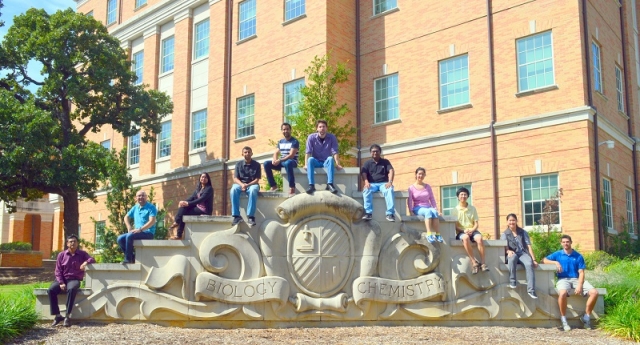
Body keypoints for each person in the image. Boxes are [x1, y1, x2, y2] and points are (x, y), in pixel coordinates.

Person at [543, 235, 599, 331]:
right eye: (564, 242)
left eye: (567, 242)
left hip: (576, 279)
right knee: (562, 293)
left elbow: (581, 272)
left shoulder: (578, 256)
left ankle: (586, 318)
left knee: (594, 293)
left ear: (571, 242)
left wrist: (580, 285)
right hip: (563, 279)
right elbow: (544, 260)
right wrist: (555, 263)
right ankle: (564, 319)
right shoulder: (558, 254)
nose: (566, 243)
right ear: (561, 243)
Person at [48, 235, 95, 327]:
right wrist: (61, 282)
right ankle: (57, 316)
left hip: (74, 279)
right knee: (51, 290)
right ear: (67, 244)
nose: (72, 243)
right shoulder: (61, 255)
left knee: (72, 289)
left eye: (74, 241)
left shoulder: (82, 254)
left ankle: (67, 316)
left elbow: (92, 259)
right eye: (70, 241)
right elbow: (58, 270)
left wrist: (85, 262)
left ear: (77, 243)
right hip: (62, 279)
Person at [453, 187, 489, 274]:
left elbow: (476, 224)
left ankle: (483, 263)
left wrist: (472, 230)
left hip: (472, 230)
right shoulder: (455, 210)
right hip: (461, 232)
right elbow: (455, 226)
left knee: (479, 238)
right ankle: (474, 262)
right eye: (461, 194)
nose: (463, 196)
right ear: (458, 197)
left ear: (468, 196)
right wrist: (463, 230)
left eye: (465, 194)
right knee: (465, 238)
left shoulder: (472, 208)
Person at [501, 213, 537, 297]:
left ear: (516, 221)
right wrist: (508, 251)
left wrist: (534, 260)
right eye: (510, 220)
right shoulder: (505, 234)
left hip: (523, 253)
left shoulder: (523, 232)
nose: (512, 222)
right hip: (513, 253)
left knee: (529, 263)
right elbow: (504, 246)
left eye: (513, 220)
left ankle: (531, 290)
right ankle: (512, 280)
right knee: (512, 257)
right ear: (507, 222)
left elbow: (529, 246)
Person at [169, 173, 214, 240]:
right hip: (197, 207)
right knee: (183, 208)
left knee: (184, 212)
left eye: (205, 177)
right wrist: (184, 202)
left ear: (208, 179)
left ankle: (177, 227)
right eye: (202, 177)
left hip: (204, 210)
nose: (203, 179)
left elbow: (201, 199)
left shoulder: (209, 189)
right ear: (200, 178)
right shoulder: (199, 189)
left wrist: (188, 204)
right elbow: (192, 197)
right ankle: (178, 229)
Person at [118, 190, 157, 264]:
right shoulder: (135, 207)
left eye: (143, 195)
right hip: (137, 232)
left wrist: (140, 229)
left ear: (146, 197)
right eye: (139, 196)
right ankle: (132, 257)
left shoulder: (151, 207)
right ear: (136, 198)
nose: (141, 197)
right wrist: (129, 227)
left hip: (148, 233)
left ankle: (128, 259)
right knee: (120, 238)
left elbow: (152, 221)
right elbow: (126, 217)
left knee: (130, 235)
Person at [304, 120, 342, 194]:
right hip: (316, 162)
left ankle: (330, 184)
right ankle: (311, 185)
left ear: (326, 128)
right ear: (317, 129)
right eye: (320, 127)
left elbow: (335, 152)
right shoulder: (311, 137)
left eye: (324, 127)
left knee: (330, 158)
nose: (322, 128)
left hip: (326, 162)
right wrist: (306, 164)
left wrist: (338, 164)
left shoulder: (332, 137)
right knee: (310, 159)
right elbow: (308, 152)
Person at [361, 144, 395, 222]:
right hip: (372, 184)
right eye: (373, 151)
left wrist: (390, 182)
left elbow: (391, 170)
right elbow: (363, 173)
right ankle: (368, 213)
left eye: (377, 151)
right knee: (366, 190)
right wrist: (366, 182)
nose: (375, 153)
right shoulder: (367, 163)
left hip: (384, 184)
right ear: (370, 153)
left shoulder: (385, 162)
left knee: (389, 189)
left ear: (380, 152)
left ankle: (390, 214)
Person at [264, 122, 300, 197]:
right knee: (266, 163)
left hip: (292, 162)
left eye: (287, 129)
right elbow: (276, 153)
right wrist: (274, 160)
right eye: (284, 129)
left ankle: (292, 187)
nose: (285, 131)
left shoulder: (294, 141)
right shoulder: (280, 141)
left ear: (290, 130)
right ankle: (273, 186)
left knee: (288, 163)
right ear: (282, 131)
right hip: (282, 162)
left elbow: (291, 155)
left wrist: (280, 160)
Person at [407, 167, 442, 243]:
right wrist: (410, 211)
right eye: (419, 174)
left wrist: (436, 208)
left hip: (428, 206)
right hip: (418, 207)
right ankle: (429, 234)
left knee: (434, 213)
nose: (421, 176)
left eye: (423, 174)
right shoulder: (411, 188)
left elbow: (432, 198)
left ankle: (437, 234)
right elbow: (409, 200)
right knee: (428, 212)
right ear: (416, 175)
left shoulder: (427, 186)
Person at [231, 146, 261, 227]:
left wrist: (247, 185)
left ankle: (251, 216)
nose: (247, 154)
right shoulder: (238, 164)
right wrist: (242, 184)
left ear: (252, 153)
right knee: (233, 189)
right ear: (242, 154)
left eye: (249, 152)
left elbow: (257, 179)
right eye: (245, 152)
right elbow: (235, 178)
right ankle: (236, 216)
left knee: (253, 190)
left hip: (252, 184)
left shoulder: (257, 165)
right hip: (240, 184)